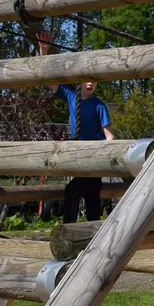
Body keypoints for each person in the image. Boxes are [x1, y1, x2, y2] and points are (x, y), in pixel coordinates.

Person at [38, 31, 114, 224]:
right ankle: (74, 229)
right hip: (79, 155)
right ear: (79, 80)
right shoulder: (72, 96)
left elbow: (109, 135)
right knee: (80, 193)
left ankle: (81, 229)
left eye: (93, 80)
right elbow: (49, 79)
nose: (90, 83)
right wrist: (43, 50)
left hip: (93, 157)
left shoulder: (99, 105)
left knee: (82, 193)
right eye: (86, 79)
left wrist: (108, 156)